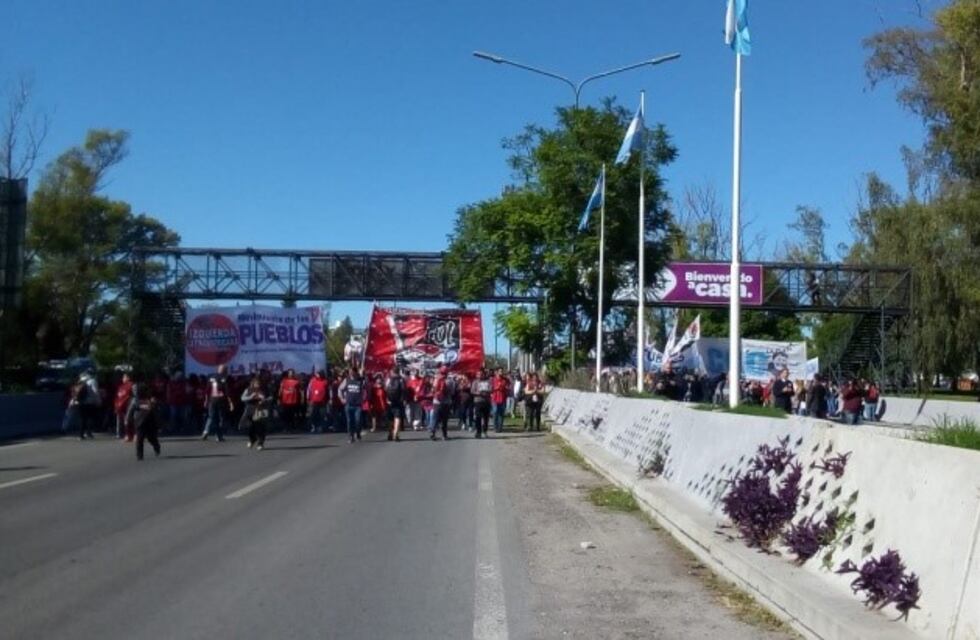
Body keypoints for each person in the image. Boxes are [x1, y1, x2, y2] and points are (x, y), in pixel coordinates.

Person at [130, 383, 161, 461]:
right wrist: (128, 420)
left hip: (149, 421)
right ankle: (139, 456)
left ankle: (156, 446)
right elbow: (132, 408)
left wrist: (153, 403)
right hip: (140, 422)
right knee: (139, 439)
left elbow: (155, 408)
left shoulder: (150, 399)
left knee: (151, 438)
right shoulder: (135, 399)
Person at [201, 365, 233, 442]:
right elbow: (227, 392)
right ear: (224, 371)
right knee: (220, 419)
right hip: (220, 400)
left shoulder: (211, 377)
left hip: (212, 400)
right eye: (226, 370)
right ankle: (218, 436)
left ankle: (206, 431)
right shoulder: (224, 379)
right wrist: (230, 402)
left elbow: (207, 390)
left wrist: (206, 400)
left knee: (211, 417)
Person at [241, 377, 272, 450]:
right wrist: (250, 397)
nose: (258, 385)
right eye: (256, 384)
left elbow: (271, 397)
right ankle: (252, 439)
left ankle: (260, 443)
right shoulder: (248, 390)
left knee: (261, 427)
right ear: (253, 384)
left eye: (259, 384)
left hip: (261, 410)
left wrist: (264, 400)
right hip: (250, 410)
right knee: (250, 427)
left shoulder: (264, 389)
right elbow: (242, 398)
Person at [340, 369, 365, 443]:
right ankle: (351, 436)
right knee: (349, 421)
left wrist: (363, 399)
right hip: (348, 404)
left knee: (358, 420)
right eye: (350, 372)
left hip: (358, 405)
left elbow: (366, 390)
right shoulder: (346, 380)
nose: (351, 374)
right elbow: (340, 389)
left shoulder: (360, 381)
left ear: (356, 373)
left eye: (353, 372)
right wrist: (342, 398)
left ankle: (358, 433)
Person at [384, 368, 406, 442]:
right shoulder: (401, 379)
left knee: (390, 419)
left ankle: (390, 433)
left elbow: (385, 389)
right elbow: (404, 390)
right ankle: (395, 433)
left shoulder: (388, 379)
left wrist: (387, 399)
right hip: (398, 402)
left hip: (389, 402)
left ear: (392, 371)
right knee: (397, 418)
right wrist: (403, 400)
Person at [114, 372, 135, 441]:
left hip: (129, 405)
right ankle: (128, 435)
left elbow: (134, 396)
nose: (123, 378)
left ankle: (131, 435)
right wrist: (117, 405)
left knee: (129, 421)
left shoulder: (132, 385)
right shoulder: (121, 386)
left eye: (124, 377)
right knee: (125, 421)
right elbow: (118, 396)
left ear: (128, 378)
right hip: (122, 406)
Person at [472, 369, 492, 438]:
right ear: (477, 375)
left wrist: (487, 392)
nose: (480, 375)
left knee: (486, 418)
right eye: (478, 374)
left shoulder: (488, 381)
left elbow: (491, 389)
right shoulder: (475, 382)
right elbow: (472, 391)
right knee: (478, 417)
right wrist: (478, 393)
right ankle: (478, 432)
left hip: (486, 402)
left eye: (481, 374)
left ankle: (485, 431)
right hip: (478, 401)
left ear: (484, 374)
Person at [491, 368, 510, 433]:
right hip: (495, 398)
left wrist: (507, 388)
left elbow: (509, 386)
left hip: (503, 398)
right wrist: (496, 388)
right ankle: (495, 427)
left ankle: (500, 428)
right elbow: (490, 388)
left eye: (502, 371)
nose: (501, 372)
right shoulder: (493, 379)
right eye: (500, 371)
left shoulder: (505, 379)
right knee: (495, 411)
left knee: (501, 413)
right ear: (497, 372)